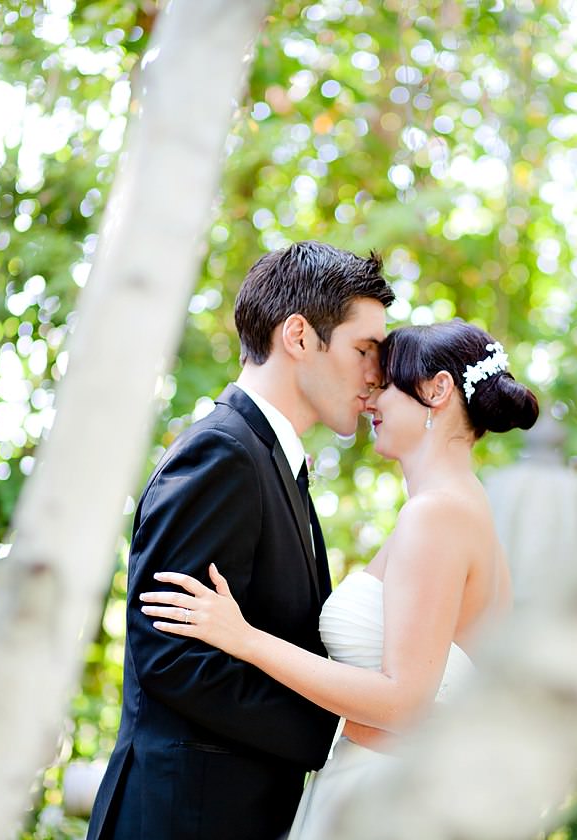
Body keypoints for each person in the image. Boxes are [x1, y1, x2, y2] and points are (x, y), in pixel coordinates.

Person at [140, 319, 540, 839]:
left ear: (437, 390)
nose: (369, 398)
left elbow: (403, 701)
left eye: (386, 383)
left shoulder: (437, 515)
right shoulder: (458, 508)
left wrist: (245, 639)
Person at [85, 241, 395, 840]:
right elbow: (171, 656)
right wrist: (329, 728)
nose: (377, 375)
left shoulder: (278, 466)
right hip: (179, 818)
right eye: (364, 349)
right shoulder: (222, 453)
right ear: (299, 337)